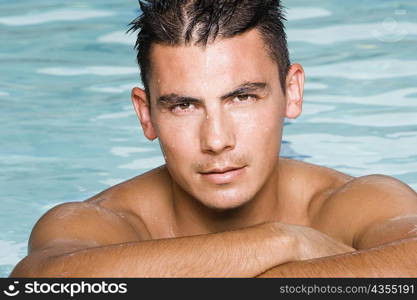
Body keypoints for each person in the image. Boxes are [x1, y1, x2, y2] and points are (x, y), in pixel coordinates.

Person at [11, 0, 417, 278]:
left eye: (242, 97)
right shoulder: (101, 222)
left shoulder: (353, 203)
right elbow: (38, 285)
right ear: (145, 114)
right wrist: (282, 240)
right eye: (184, 106)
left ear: (292, 92)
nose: (217, 140)